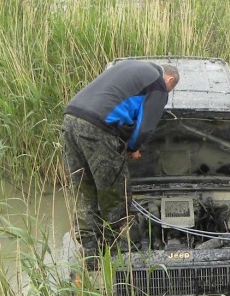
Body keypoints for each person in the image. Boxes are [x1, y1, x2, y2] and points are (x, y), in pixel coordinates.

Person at [62, 60, 180, 268]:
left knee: (84, 190)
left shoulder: (129, 68)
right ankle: (121, 257)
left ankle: (91, 257)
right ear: (170, 80)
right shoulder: (158, 83)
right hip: (98, 129)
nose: (165, 96)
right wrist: (133, 148)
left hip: (71, 120)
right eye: (170, 90)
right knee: (116, 194)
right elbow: (145, 126)